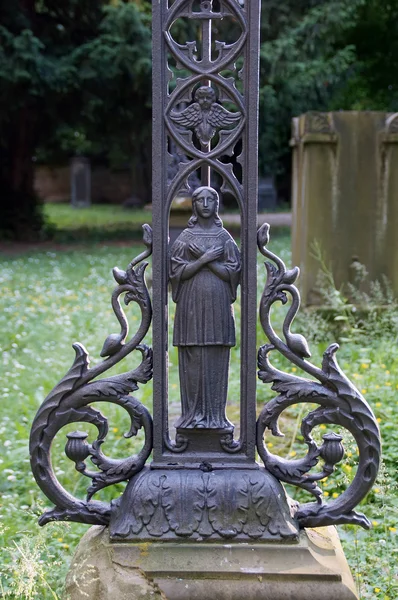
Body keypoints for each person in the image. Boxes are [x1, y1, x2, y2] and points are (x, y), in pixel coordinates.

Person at [169, 186, 241, 429]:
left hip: (218, 303)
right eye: (201, 199)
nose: (206, 204)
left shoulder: (224, 239)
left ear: (217, 204)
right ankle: (192, 416)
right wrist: (203, 259)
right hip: (191, 304)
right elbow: (177, 272)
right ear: (194, 204)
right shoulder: (185, 240)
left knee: (216, 354)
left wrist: (207, 261)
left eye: (211, 199)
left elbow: (232, 273)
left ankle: (215, 417)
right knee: (193, 356)